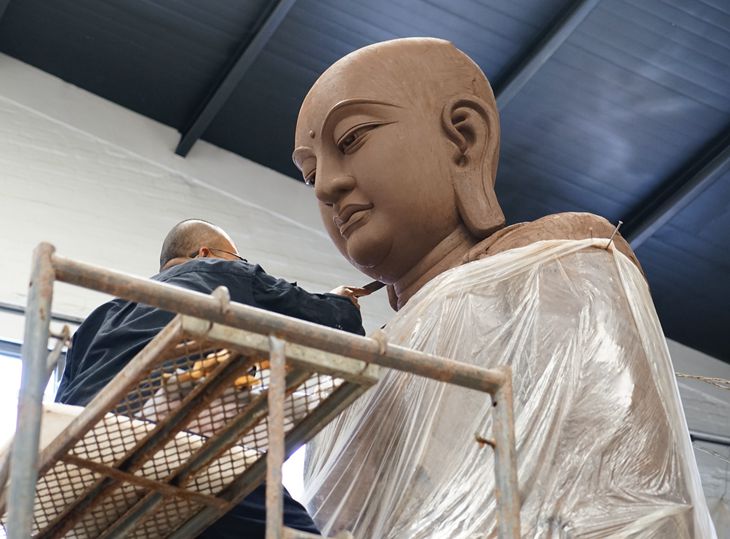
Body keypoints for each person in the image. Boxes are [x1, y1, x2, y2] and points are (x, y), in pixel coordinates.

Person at [293, 38, 715, 538]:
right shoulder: (360, 371)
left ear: (464, 137)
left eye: (353, 138)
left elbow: (623, 481)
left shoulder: (556, 256)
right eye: (311, 173)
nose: (326, 186)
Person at [56, 218, 366, 538]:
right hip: (180, 445)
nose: (240, 266)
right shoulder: (216, 273)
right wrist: (341, 302)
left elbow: (63, 402)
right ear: (206, 252)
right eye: (237, 259)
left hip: (88, 469)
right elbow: (327, 323)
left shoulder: (97, 321)